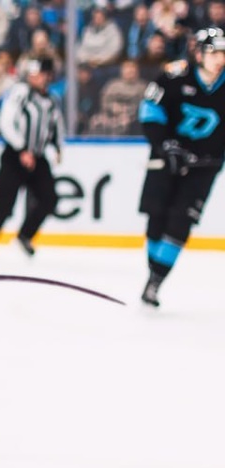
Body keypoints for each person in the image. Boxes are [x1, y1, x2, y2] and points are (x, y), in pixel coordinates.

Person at [137, 26, 225, 306]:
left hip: (204, 166)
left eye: (224, 54)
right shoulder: (174, 76)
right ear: (198, 54)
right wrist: (165, 145)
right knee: (156, 217)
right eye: (214, 53)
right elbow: (149, 110)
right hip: (167, 158)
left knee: (180, 221)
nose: (220, 59)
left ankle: (156, 280)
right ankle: (154, 270)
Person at [0, 56, 66, 259]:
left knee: (49, 198)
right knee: (3, 203)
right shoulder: (20, 92)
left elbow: (56, 125)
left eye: (39, 74)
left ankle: (25, 235)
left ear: (48, 76)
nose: (34, 77)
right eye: (33, 74)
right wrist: (21, 148)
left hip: (37, 157)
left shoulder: (52, 100)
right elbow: (6, 122)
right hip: (15, 156)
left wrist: (59, 147)